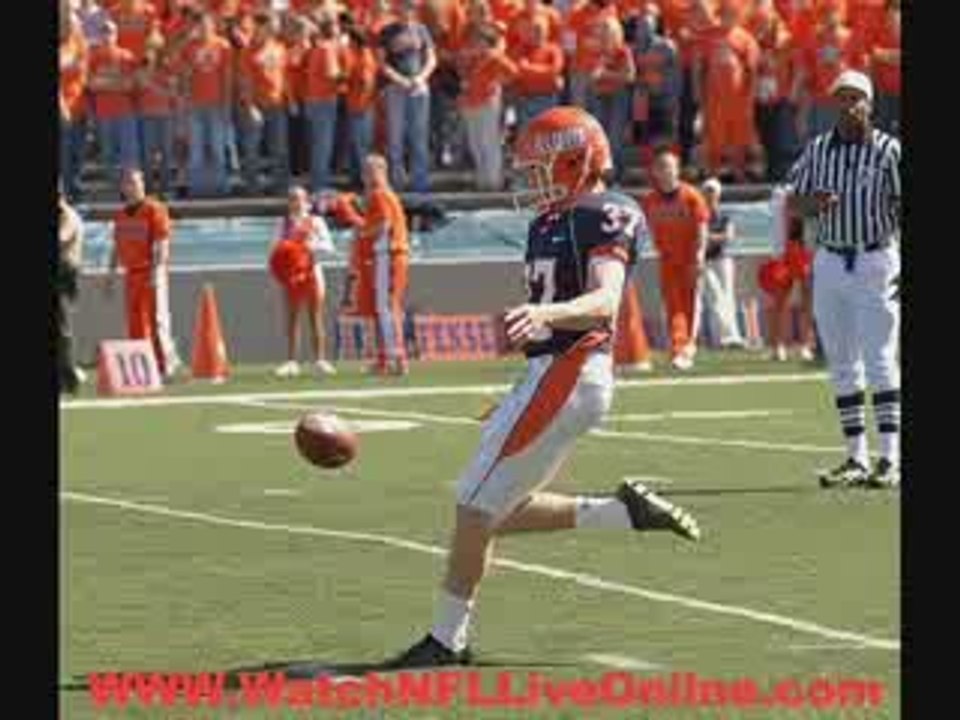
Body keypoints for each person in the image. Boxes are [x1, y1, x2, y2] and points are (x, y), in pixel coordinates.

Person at [383, 106, 700, 669]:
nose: (532, 181)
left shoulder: (608, 212)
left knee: (473, 507)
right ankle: (624, 513)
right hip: (550, 374)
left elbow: (606, 300)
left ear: (580, 161)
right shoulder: (549, 221)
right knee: (494, 513)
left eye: (542, 168)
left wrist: (547, 315)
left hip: (572, 371)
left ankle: (446, 640)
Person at [785, 69, 900, 489]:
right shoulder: (818, 150)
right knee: (842, 363)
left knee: (881, 359)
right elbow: (793, 201)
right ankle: (856, 456)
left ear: (870, 103)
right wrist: (810, 204)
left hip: (875, 258)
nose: (849, 105)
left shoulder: (889, 151)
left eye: (856, 98)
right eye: (842, 98)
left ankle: (890, 458)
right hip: (831, 259)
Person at [103, 169, 183, 380]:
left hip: (150, 270)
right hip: (131, 274)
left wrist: (157, 271)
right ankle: (143, 367)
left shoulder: (154, 209)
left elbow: (162, 242)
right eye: (129, 183)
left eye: (137, 182)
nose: (133, 187)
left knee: (157, 321)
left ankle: (166, 364)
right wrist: (110, 276)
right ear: (123, 187)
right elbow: (116, 247)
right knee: (136, 322)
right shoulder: (121, 215)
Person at [338, 155, 411, 375]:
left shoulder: (380, 194)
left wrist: (360, 229)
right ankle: (386, 357)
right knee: (383, 309)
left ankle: (395, 357)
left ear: (382, 171)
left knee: (386, 308)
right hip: (388, 254)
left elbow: (382, 226)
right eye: (365, 171)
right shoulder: (384, 195)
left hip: (388, 253)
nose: (366, 176)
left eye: (371, 171)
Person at [640, 147, 710, 370]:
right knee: (673, 306)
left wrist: (699, 255)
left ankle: (688, 346)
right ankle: (679, 348)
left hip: (689, 258)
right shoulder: (650, 200)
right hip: (667, 260)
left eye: (669, 166)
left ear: (677, 170)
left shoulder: (691, 196)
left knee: (690, 305)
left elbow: (702, 227)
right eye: (660, 167)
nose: (665, 171)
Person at [269, 186, 338, 377]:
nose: (295, 203)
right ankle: (291, 361)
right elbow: (275, 249)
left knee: (315, 317)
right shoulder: (282, 224)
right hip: (291, 277)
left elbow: (329, 247)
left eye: (298, 199)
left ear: (306, 201)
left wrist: (311, 246)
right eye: (292, 199)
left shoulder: (316, 222)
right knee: (291, 318)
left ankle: (320, 360)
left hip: (312, 273)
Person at [377, 0, 437, 193]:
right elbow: (381, 63)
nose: (407, 9)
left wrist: (421, 78)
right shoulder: (387, 31)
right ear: (397, 8)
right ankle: (397, 182)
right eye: (404, 5)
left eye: (410, 6)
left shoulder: (422, 30)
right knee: (395, 137)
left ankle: (420, 183)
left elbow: (431, 58)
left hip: (419, 87)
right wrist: (400, 80)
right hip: (396, 88)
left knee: (419, 137)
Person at [764, 182, 815, 361]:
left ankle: (805, 344)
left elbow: (810, 224)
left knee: (807, 301)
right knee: (779, 300)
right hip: (785, 251)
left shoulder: (812, 190)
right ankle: (778, 345)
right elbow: (778, 225)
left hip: (803, 251)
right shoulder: (780, 194)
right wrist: (776, 253)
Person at [700, 177, 746, 348]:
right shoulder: (700, 215)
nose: (710, 195)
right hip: (704, 261)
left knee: (727, 297)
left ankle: (728, 336)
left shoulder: (724, 215)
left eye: (713, 192)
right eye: (707, 192)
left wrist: (708, 238)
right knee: (715, 296)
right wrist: (712, 238)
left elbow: (728, 236)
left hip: (722, 259)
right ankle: (725, 337)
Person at [58, 187, 86, 394]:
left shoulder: (68, 215)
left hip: (65, 276)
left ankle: (70, 378)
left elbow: (61, 239)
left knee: (62, 328)